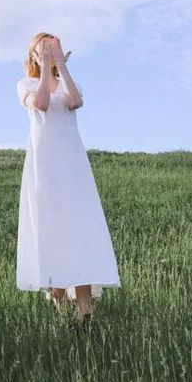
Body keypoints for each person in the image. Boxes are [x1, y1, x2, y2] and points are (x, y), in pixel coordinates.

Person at [16, 33, 120, 324]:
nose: (49, 54)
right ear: (33, 56)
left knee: (79, 225)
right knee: (51, 225)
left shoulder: (67, 82)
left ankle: (85, 311)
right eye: (43, 50)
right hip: (44, 161)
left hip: (71, 160)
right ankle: (57, 300)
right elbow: (41, 104)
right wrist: (45, 68)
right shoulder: (25, 84)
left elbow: (75, 101)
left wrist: (60, 66)